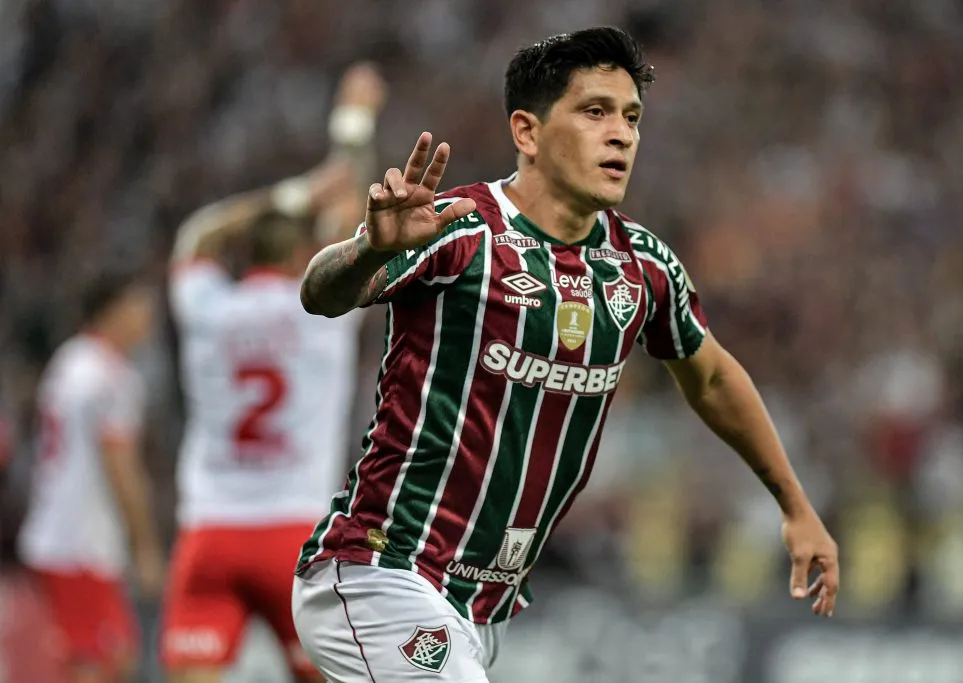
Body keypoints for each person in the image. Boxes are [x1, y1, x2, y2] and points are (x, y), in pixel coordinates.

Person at [294, 27, 840, 683]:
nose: (622, 135)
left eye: (632, 117)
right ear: (527, 132)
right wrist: (370, 250)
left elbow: (713, 375)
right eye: (595, 112)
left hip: (476, 606)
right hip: (381, 567)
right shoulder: (458, 229)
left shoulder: (641, 266)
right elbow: (322, 293)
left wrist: (795, 504)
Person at [160, 64, 386, 683]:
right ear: (299, 255)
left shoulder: (207, 306)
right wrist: (355, 121)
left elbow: (197, 236)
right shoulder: (320, 309)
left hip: (208, 531)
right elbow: (352, 203)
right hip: (293, 531)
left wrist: (288, 194)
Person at [18, 271, 163, 683]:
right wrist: (144, 546)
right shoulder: (111, 376)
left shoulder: (69, 359)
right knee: (105, 663)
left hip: (55, 531)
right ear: (113, 311)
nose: (147, 319)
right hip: (82, 542)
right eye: (140, 307)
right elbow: (122, 469)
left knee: (91, 660)